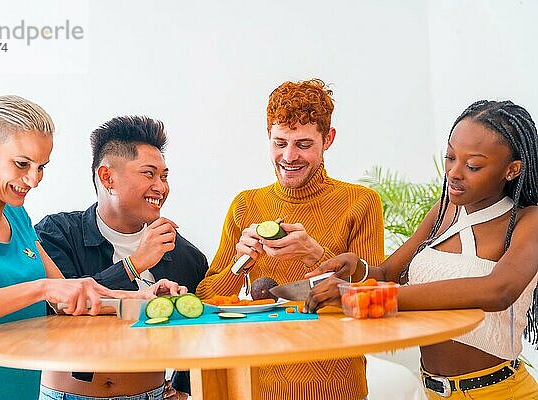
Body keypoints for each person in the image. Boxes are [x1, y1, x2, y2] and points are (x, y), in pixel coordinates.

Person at [0, 96, 185, 400]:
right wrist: (40, 289)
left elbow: (67, 295)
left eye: (41, 167)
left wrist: (140, 297)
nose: (33, 179)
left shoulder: (17, 217)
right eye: (22, 164)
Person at [306, 100, 538, 399]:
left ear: (512, 169)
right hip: (432, 392)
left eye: (473, 165)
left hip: (500, 392)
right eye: (450, 157)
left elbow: (498, 290)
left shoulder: (528, 220)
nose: (454, 172)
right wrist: (358, 270)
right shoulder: (443, 211)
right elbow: (390, 274)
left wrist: (367, 297)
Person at [196, 79, 385, 400]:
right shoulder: (246, 204)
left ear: (328, 140)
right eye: (279, 142)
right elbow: (206, 299)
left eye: (303, 144)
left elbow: (374, 298)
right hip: (258, 383)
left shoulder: (361, 202)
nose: (289, 156)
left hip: (337, 386)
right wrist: (239, 265)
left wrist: (315, 254)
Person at [35, 115, 208, 400]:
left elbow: (199, 324)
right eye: (149, 174)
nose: (161, 187)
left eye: (164, 176)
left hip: (151, 394)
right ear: (107, 177)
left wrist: (182, 386)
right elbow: (55, 309)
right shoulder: (57, 233)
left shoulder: (182, 253)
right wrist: (134, 264)